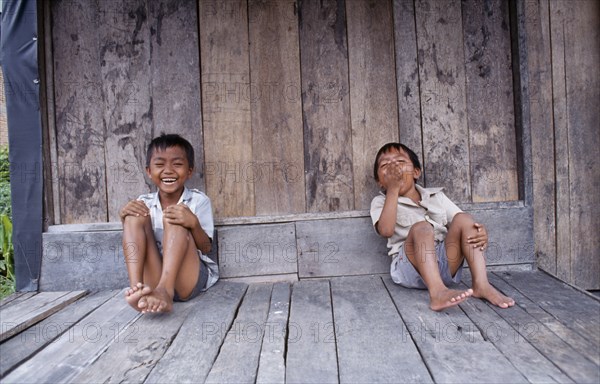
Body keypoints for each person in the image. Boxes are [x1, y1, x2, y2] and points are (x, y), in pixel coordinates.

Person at [370, 142, 515, 311]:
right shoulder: (380, 202)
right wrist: (393, 189)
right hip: (409, 268)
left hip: (443, 264)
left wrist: (480, 233)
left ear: (416, 172)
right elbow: (385, 230)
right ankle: (437, 292)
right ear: (380, 181)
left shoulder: (436, 197)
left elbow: (465, 226)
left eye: (401, 162)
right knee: (422, 228)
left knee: (464, 219)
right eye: (386, 165)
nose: (394, 169)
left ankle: (481, 284)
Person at [119, 133, 218, 313]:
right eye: (159, 164)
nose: (169, 170)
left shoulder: (198, 201)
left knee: (175, 215)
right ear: (149, 171)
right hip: (154, 280)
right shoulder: (144, 202)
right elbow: (134, 240)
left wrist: (193, 224)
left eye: (177, 164)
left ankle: (165, 290)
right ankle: (137, 289)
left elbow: (206, 248)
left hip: (188, 280)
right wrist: (125, 218)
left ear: (189, 171)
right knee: (134, 216)